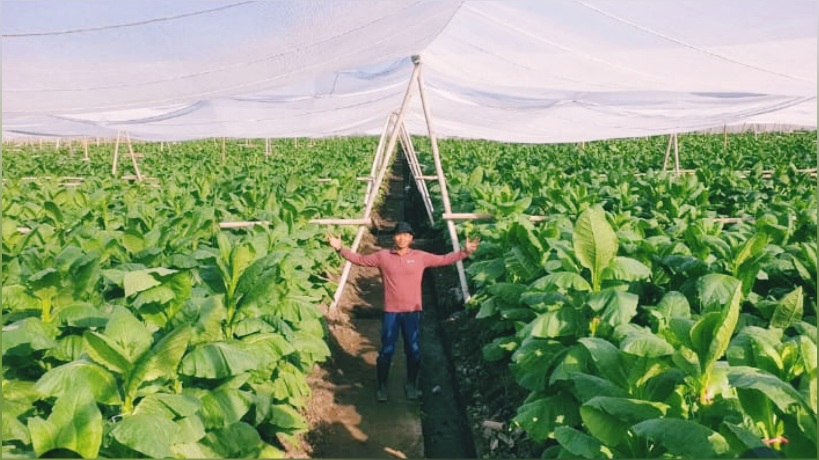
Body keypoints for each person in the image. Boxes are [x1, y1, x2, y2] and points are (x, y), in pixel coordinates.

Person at [327, 221, 479, 402]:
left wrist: (465, 252)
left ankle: (412, 384)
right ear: (394, 237)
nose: (402, 238)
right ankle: (382, 386)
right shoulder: (383, 257)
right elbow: (360, 260)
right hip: (391, 313)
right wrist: (340, 249)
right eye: (399, 234)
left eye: (406, 235)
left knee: (413, 351)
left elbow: (443, 259)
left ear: (411, 238)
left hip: (412, 313)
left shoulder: (420, 257)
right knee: (386, 351)